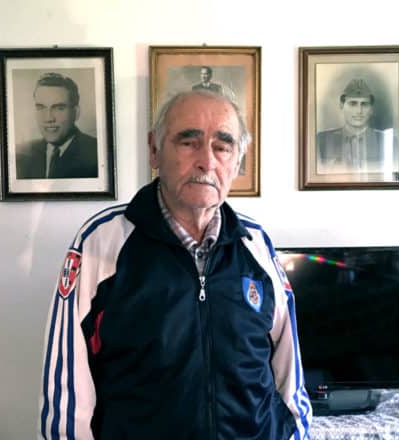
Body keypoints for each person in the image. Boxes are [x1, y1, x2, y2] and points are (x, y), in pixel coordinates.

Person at [38, 90, 312, 439]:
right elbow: (66, 394)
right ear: (154, 150)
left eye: (223, 146)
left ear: (238, 161)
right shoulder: (101, 243)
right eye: (188, 142)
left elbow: (290, 377)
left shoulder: (256, 245)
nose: (207, 162)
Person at [16, 72, 98, 179]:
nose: (49, 118)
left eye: (59, 108)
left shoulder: (96, 153)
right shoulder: (21, 153)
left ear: (76, 113)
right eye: (41, 108)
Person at [316, 78, 394, 173]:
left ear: (371, 109)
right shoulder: (322, 140)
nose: (359, 111)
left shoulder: (387, 141)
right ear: (341, 105)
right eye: (353, 104)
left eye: (364, 104)